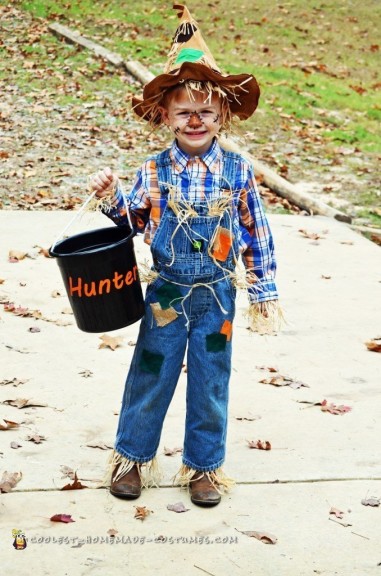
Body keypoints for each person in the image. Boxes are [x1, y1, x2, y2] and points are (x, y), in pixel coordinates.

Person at [90, 4, 280, 507]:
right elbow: (131, 221)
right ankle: (132, 458)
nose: (195, 120)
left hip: (217, 296)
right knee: (152, 371)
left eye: (206, 112)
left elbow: (255, 232)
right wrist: (111, 195)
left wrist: (262, 289)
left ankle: (204, 468)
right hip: (167, 292)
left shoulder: (237, 172)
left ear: (224, 117)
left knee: (212, 380)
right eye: (183, 112)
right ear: (164, 116)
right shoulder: (154, 170)